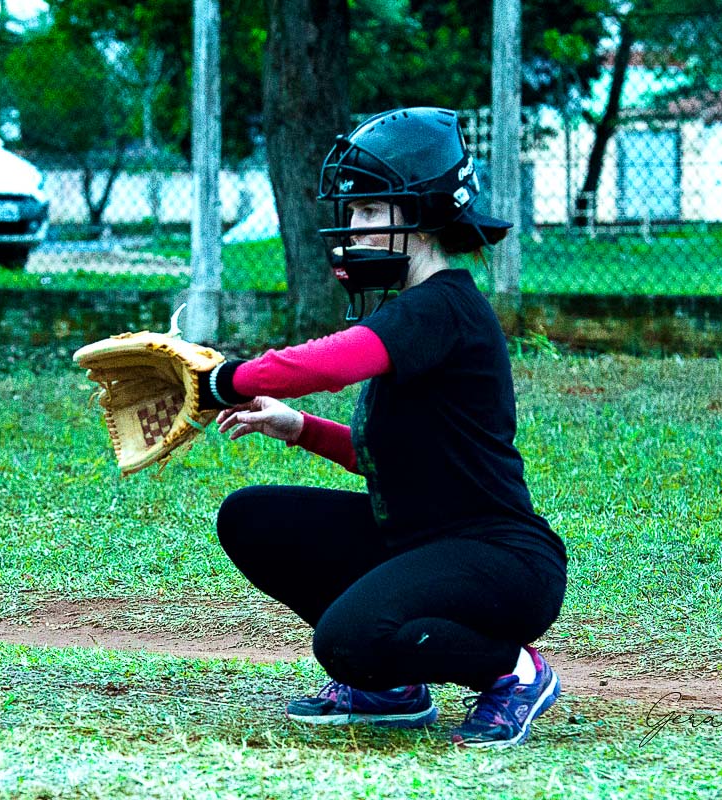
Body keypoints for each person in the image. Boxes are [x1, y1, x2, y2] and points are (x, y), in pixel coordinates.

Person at [196, 107, 568, 749]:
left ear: (422, 218)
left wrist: (229, 379)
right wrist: (298, 427)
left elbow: (338, 360)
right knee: (250, 518)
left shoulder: (443, 304)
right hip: (421, 541)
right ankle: (389, 686)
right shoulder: (414, 312)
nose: (351, 229)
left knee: (345, 640)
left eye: (369, 213)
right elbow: (395, 461)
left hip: (502, 561)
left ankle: (514, 671)